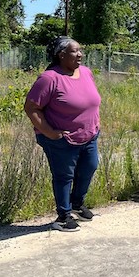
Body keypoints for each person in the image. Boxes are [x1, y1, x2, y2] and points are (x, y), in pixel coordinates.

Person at [24, 36, 101, 232]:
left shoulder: (85, 72)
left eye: (80, 50)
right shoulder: (49, 78)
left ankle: (77, 203)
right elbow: (32, 107)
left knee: (90, 167)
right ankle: (63, 216)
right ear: (61, 55)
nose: (80, 55)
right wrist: (50, 133)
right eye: (75, 51)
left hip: (89, 135)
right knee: (64, 176)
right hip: (62, 139)